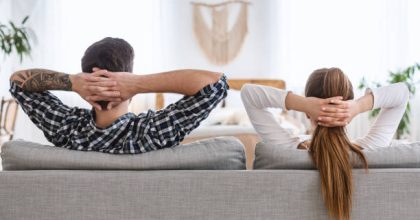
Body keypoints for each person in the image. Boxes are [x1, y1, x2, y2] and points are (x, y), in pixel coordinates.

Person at [241, 67, 409, 220]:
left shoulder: (286, 150)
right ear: (348, 112)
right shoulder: (371, 149)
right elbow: (402, 93)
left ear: (307, 113)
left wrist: (304, 104)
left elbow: (248, 93)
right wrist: (358, 106)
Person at [9, 37, 228, 154]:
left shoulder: (66, 130)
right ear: (128, 77)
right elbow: (217, 84)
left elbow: (18, 82)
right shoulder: (151, 133)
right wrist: (139, 84)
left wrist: (73, 82)